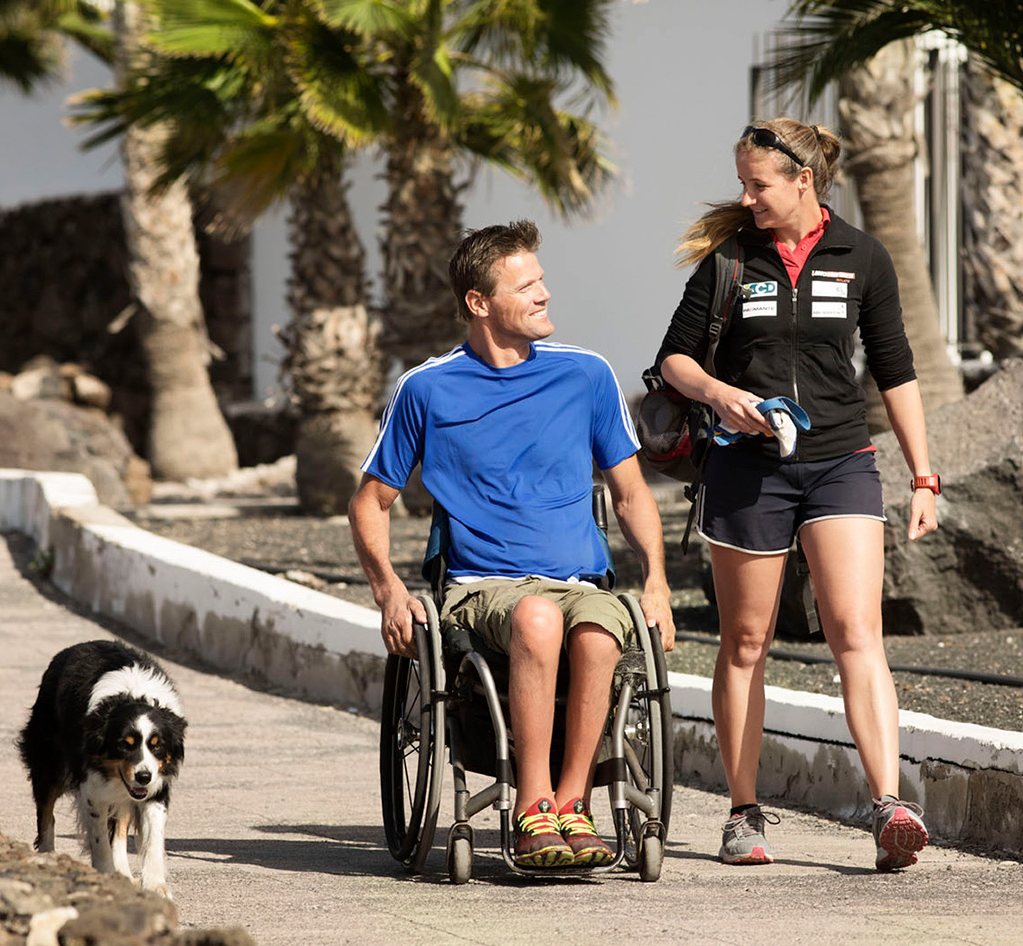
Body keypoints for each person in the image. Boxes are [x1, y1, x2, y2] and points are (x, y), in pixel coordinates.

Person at [654, 119, 939, 871]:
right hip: (747, 469)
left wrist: (923, 476)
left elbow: (895, 369)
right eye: (743, 185)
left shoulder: (862, 255)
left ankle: (889, 805)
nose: (746, 198)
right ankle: (742, 814)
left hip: (841, 459)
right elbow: (673, 359)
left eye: (759, 185)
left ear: (803, 180)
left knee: (857, 633)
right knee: (746, 643)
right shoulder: (729, 259)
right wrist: (720, 394)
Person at [349, 220, 675, 869]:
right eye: (526, 286)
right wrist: (388, 591)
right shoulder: (427, 388)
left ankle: (573, 806)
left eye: (541, 281)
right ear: (479, 302)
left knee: (599, 630)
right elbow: (370, 502)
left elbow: (632, 494)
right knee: (537, 616)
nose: (544, 294)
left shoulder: (586, 375)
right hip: (480, 589)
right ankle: (532, 806)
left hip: (578, 583)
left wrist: (658, 582)